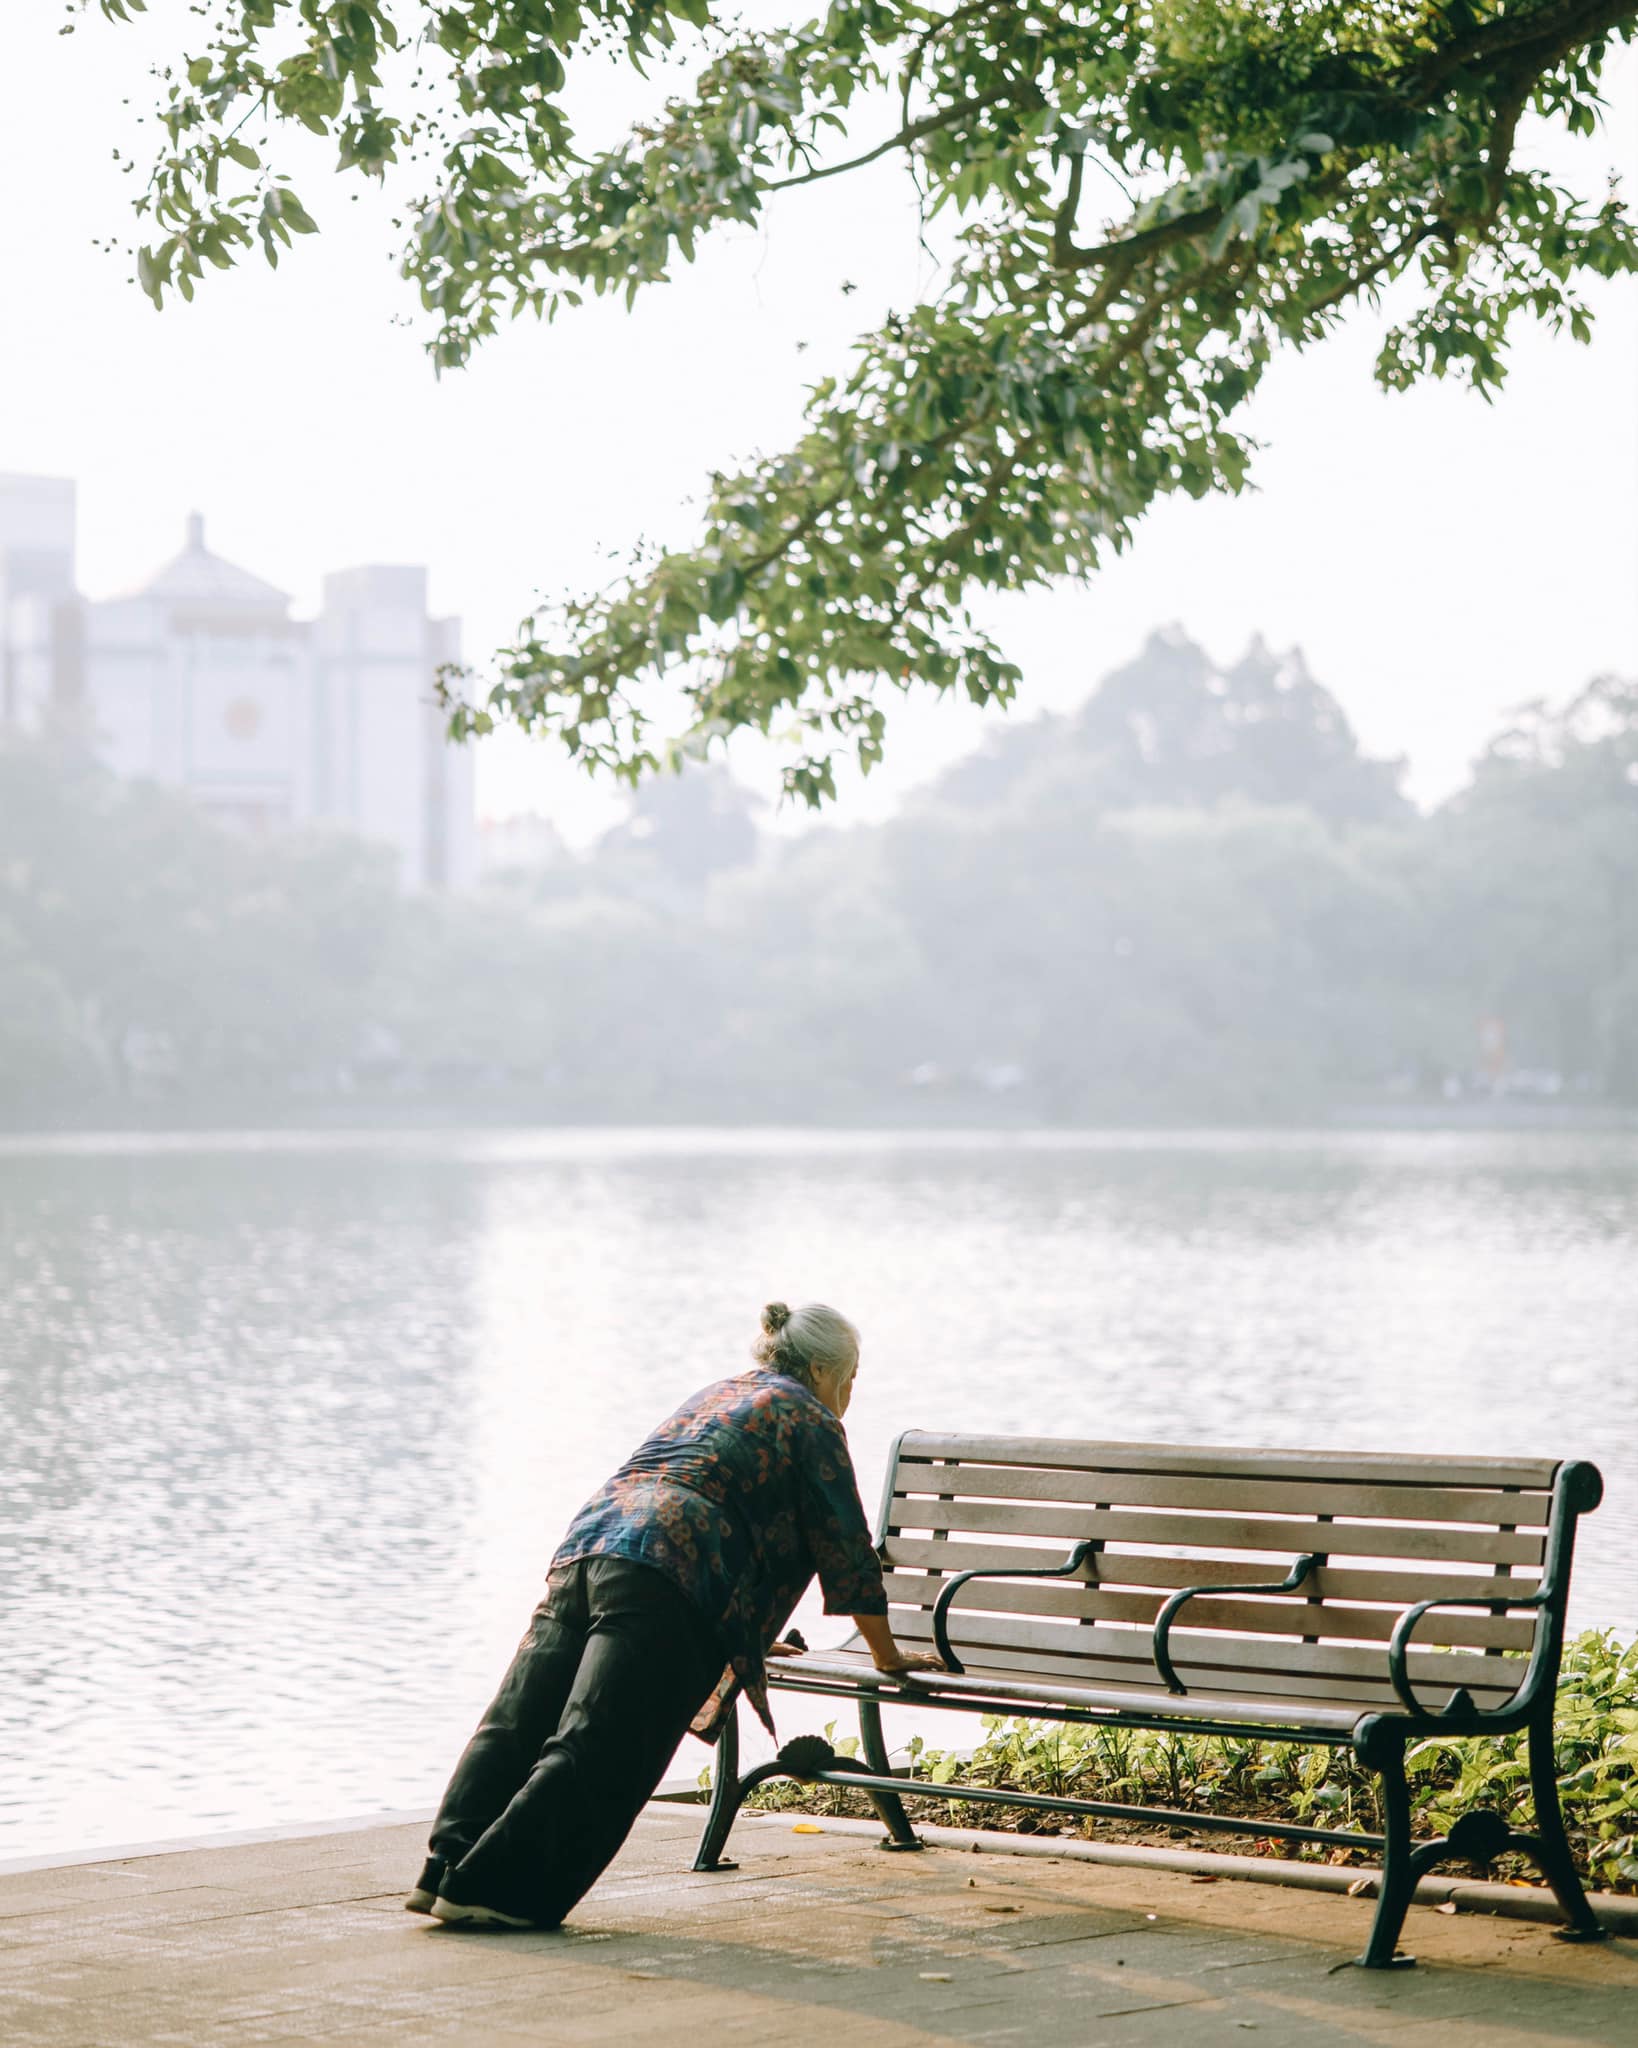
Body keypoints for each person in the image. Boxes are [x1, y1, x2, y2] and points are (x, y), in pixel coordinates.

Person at [408, 1299, 943, 1928]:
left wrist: (733, 1623)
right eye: (852, 1377)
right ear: (825, 1370)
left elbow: (712, 1488)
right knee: (601, 1739)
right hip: (669, 1570)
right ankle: (497, 1890)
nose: (850, 1392)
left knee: (519, 1718)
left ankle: (445, 1868)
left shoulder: (719, 1393)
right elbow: (847, 1549)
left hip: (593, 1544)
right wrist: (886, 1654)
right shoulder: (810, 1417)